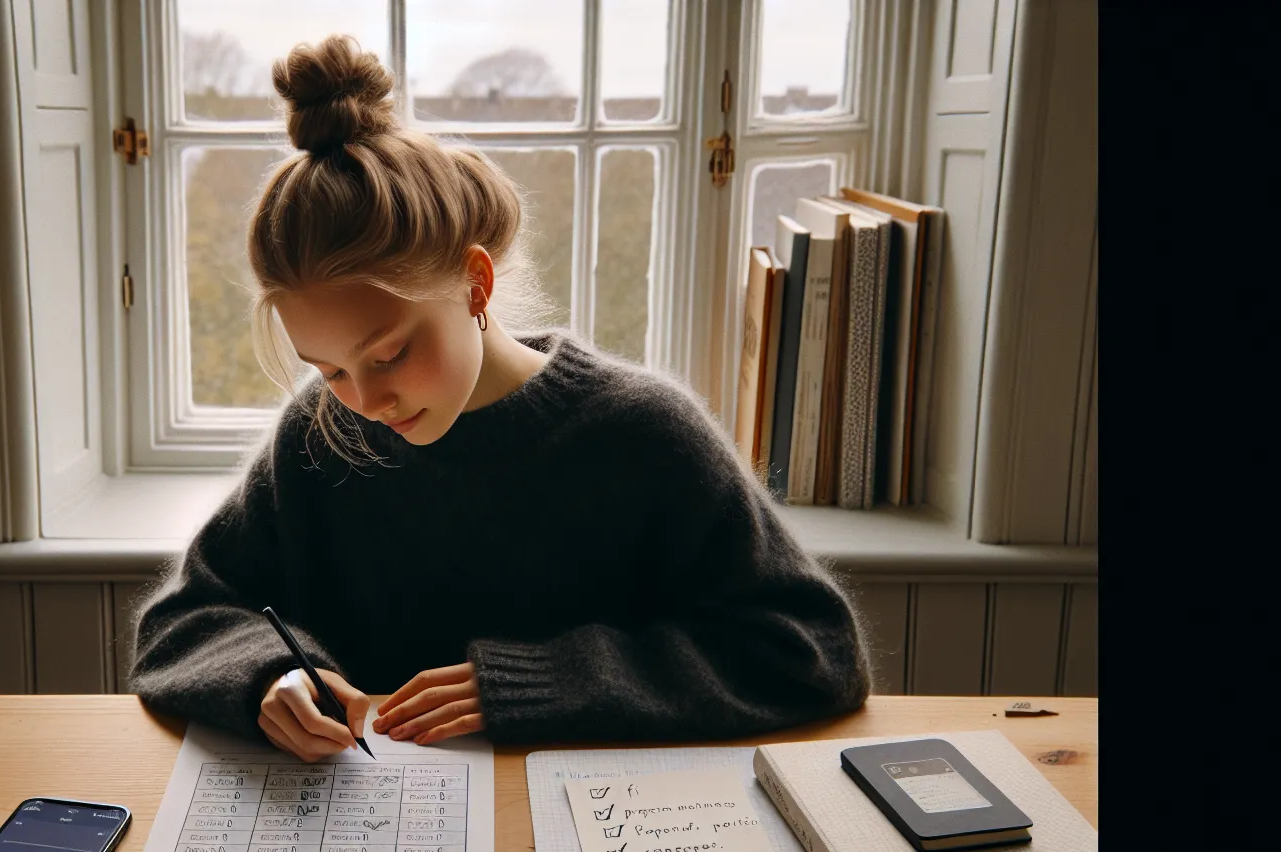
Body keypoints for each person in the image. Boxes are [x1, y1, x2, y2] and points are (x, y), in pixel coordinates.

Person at [130, 34, 869, 762]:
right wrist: (269, 672)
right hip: (381, 844)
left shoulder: (643, 433)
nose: (367, 400)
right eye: (328, 370)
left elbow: (812, 652)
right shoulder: (318, 436)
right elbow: (183, 621)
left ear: (474, 283)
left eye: (389, 354)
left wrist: (545, 682)